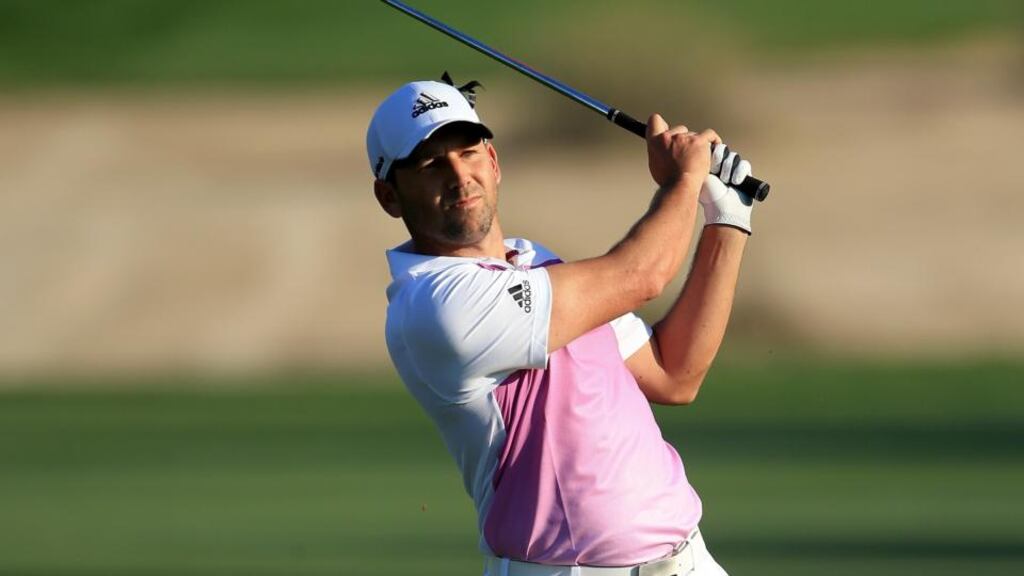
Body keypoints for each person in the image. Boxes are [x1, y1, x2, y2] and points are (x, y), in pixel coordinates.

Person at [367, 76, 756, 576]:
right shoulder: (436, 306)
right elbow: (641, 276)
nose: (459, 176)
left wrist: (726, 217)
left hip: (691, 562)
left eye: (468, 152)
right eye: (430, 164)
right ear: (389, 197)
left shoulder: (538, 264)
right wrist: (682, 181)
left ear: (493, 162)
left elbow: (673, 372)